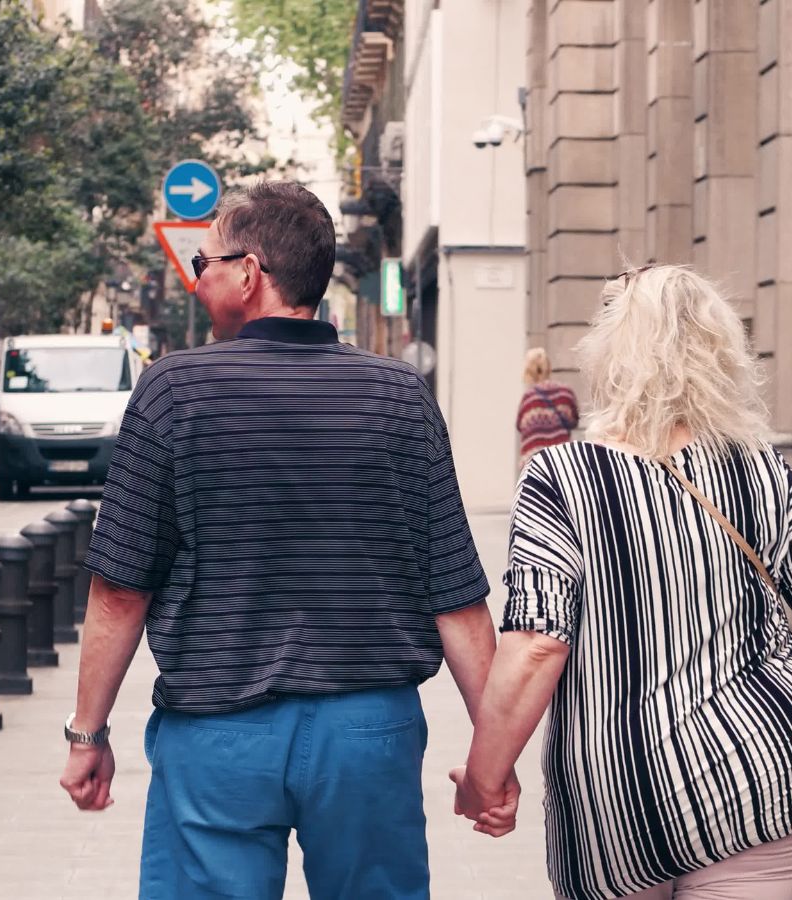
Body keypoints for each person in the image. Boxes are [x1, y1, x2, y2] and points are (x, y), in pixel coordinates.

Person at [59, 182, 497, 898]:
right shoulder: (399, 395)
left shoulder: (175, 391)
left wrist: (87, 734)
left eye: (202, 265)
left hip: (217, 736)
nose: (196, 280)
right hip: (368, 732)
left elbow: (119, 589)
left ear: (249, 273)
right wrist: (493, 751)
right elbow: (456, 594)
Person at [452, 264, 792, 900]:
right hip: (765, 770)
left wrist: (487, 777)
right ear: (721, 352)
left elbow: (537, 644)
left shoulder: (561, 477)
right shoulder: (762, 470)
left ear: (610, 355)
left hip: (615, 793)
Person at [516, 346, 578, 469]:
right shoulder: (565, 393)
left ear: (529, 371)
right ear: (549, 367)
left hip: (534, 464)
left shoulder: (529, 398)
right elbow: (574, 420)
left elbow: (519, 426)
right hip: (561, 460)